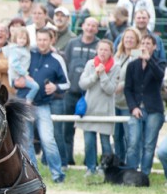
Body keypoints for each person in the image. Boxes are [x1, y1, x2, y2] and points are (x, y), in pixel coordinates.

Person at [17, 28, 69, 183]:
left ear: (51, 40)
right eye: (39, 39)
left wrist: (55, 87)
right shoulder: (27, 53)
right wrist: (15, 81)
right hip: (24, 104)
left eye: (45, 40)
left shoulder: (56, 59)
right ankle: (33, 175)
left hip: (42, 106)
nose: (42, 43)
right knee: (26, 141)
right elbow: (13, 68)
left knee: (48, 140)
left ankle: (57, 174)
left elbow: (67, 83)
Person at [124, 34, 166, 175]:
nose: (145, 45)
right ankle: (130, 173)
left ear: (154, 47)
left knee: (149, 144)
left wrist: (149, 60)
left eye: (148, 43)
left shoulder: (159, 63)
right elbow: (127, 89)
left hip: (154, 109)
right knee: (133, 142)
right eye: (143, 43)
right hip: (137, 108)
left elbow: (160, 76)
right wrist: (133, 107)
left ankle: (144, 174)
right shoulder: (132, 65)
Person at [77, 40, 119, 177]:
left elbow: (110, 89)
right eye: (100, 49)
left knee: (105, 143)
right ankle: (91, 167)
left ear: (111, 52)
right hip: (89, 110)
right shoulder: (90, 64)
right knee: (89, 142)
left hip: (105, 112)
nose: (103, 52)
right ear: (97, 50)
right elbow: (83, 84)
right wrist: (95, 74)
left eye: (106, 50)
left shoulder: (115, 67)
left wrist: (103, 75)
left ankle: (104, 169)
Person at [63, 17, 100, 165]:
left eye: (93, 26)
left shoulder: (99, 45)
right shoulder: (72, 43)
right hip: (71, 93)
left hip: (89, 95)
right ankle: (67, 160)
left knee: (89, 131)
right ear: (83, 26)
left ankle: (89, 162)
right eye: (88, 25)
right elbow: (66, 64)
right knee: (67, 129)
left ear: (97, 29)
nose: (90, 28)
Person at [113, 27, 142, 163]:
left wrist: (122, 84)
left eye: (132, 37)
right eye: (126, 37)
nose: (129, 40)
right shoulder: (118, 55)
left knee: (130, 137)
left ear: (137, 40)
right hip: (115, 101)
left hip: (128, 102)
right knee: (117, 136)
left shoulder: (138, 54)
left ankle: (131, 166)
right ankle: (119, 164)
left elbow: (136, 77)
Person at [7, 27, 37, 103]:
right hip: (17, 76)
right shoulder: (15, 49)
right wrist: (25, 74)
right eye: (20, 38)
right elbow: (14, 64)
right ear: (16, 38)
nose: (22, 40)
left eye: (24, 38)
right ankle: (29, 99)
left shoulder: (24, 48)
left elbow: (33, 47)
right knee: (35, 86)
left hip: (21, 76)